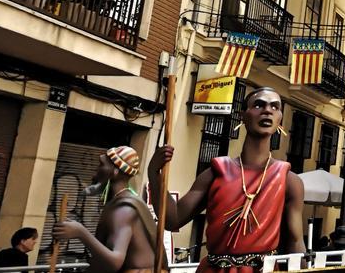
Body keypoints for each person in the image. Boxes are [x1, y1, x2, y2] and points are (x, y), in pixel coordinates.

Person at [148, 86, 305, 272]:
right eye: (258, 105)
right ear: (243, 116)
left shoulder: (289, 180)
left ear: (280, 119)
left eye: (274, 107)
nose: (267, 111)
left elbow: (295, 241)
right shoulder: (216, 171)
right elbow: (172, 219)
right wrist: (154, 174)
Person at [51, 146, 162, 273]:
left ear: (114, 172)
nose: (96, 170)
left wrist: (80, 232)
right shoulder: (119, 201)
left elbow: (115, 261)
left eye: (101, 165)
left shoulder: (124, 209)